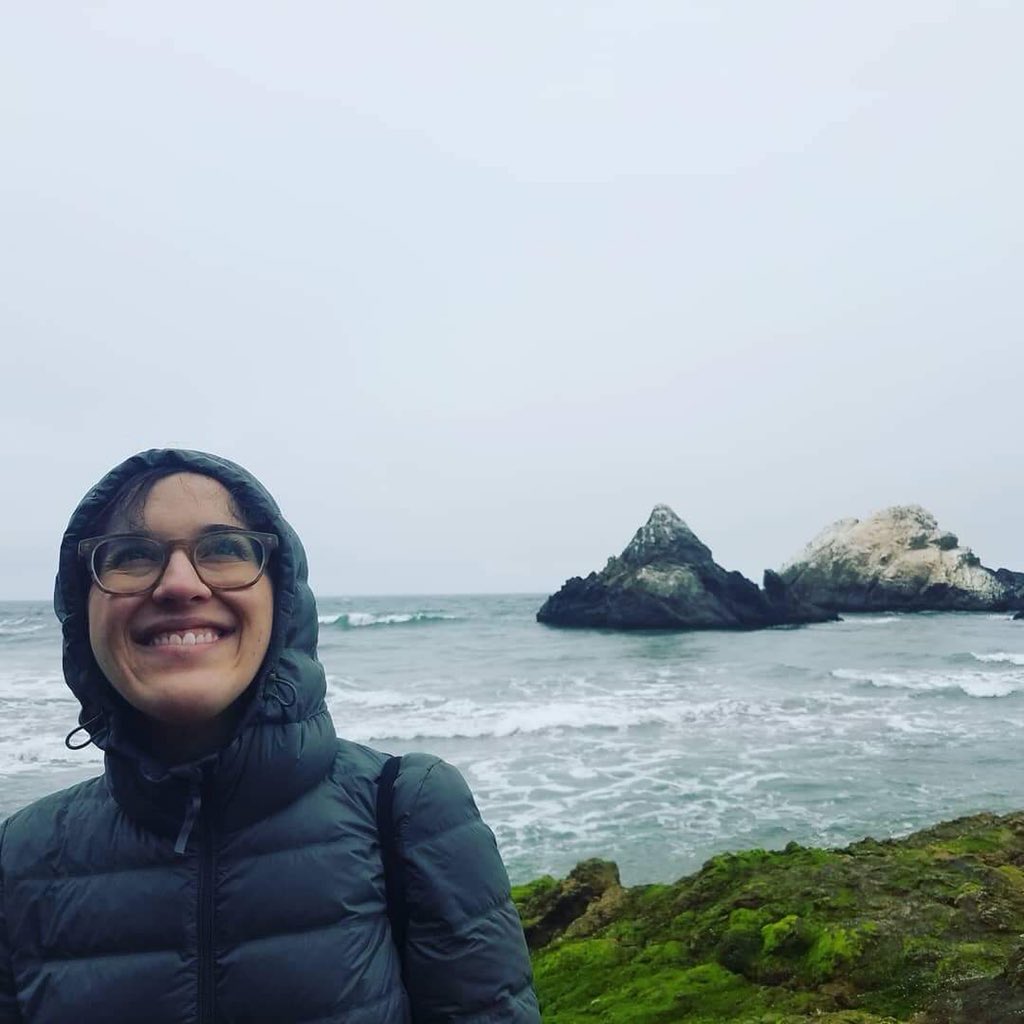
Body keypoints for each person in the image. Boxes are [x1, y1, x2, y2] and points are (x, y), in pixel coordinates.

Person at [0, 449, 540, 1024]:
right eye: (131, 555)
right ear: (80, 609)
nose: (179, 585)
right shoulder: (21, 854)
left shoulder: (410, 808)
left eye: (224, 548)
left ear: (283, 600)